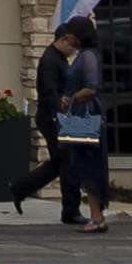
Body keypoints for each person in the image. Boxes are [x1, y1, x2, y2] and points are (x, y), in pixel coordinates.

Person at [39, 16, 109, 230]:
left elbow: (92, 88)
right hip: (77, 115)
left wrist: (71, 100)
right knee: (81, 165)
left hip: (86, 115)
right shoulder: (81, 55)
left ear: (79, 35)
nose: (67, 36)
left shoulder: (89, 56)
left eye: (70, 33)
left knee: (90, 165)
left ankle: (97, 219)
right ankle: (95, 217)